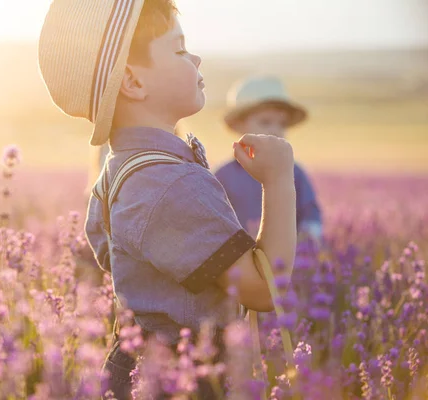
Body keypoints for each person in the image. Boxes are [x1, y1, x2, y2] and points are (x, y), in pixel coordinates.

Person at [38, 1, 297, 398]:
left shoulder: (120, 170)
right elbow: (264, 291)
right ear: (132, 82)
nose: (195, 57)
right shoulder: (170, 184)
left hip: (140, 368)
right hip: (185, 378)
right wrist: (279, 179)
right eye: (178, 49)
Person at [215, 76, 323, 243]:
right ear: (239, 125)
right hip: (240, 261)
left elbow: (311, 215)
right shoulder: (224, 176)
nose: (275, 130)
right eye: (265, 122)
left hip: (287, 262)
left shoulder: (295, 173)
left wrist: (307, 239)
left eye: (282, 124)